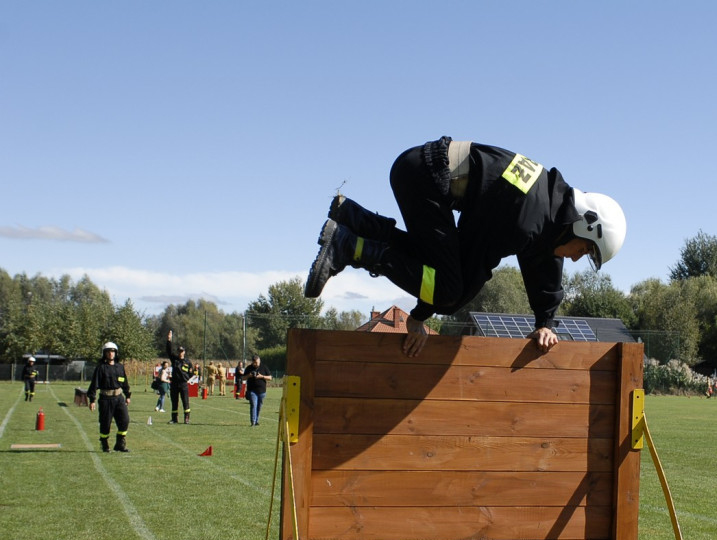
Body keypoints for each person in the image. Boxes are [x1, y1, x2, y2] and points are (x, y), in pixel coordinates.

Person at [304, 136, 626, 358]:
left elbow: (543, 259)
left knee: (442, 280)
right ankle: (351, 246)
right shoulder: (526, 219)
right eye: (585, 250)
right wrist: (420, 316)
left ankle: (353, 219)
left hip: (420, 170)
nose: (576, 258)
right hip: (423, 175)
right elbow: (467, 271)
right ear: (583, 225)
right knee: (447, 291)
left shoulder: (549, 208)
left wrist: (545, 324)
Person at [86, 342, 131, 452]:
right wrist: (92, 400)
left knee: (125, 420)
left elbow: (124, 382)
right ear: (105, 353)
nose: (111, 354)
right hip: (106, 399)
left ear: (116, 353)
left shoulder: (120, 367)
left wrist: (127, 395)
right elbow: (94, 384)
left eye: (112, 351)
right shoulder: (101, 368)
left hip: (119, 398)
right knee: (105, 423)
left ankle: (120, 444)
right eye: (108, 352)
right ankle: (104, 443)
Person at [165, 330, 196, 424]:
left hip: (183, 384)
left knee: (185, 402)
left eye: (182, 351)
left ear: (184, 352)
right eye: (179, 351)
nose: (180, 353)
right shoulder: (175, 360)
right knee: (174, 402)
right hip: (174, 383)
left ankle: (186, 419)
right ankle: (174, 419)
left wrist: (186, 379)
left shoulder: (188, 362)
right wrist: (169, 340)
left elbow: (191, 373)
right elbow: (169, 351)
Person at [243, 354, 270, 426]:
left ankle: (257, 420)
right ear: (252, 362)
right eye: (255, 363)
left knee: (259, 406)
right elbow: (243, 378)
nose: (256, 364)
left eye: (257, 363)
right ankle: (253, 422)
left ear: (259, 360)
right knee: (253, 405)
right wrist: (249, 375)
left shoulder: (264, 367)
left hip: (262, 391)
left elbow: (270, 377)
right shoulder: (249, 368)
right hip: (252, 390)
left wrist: (262, 376)